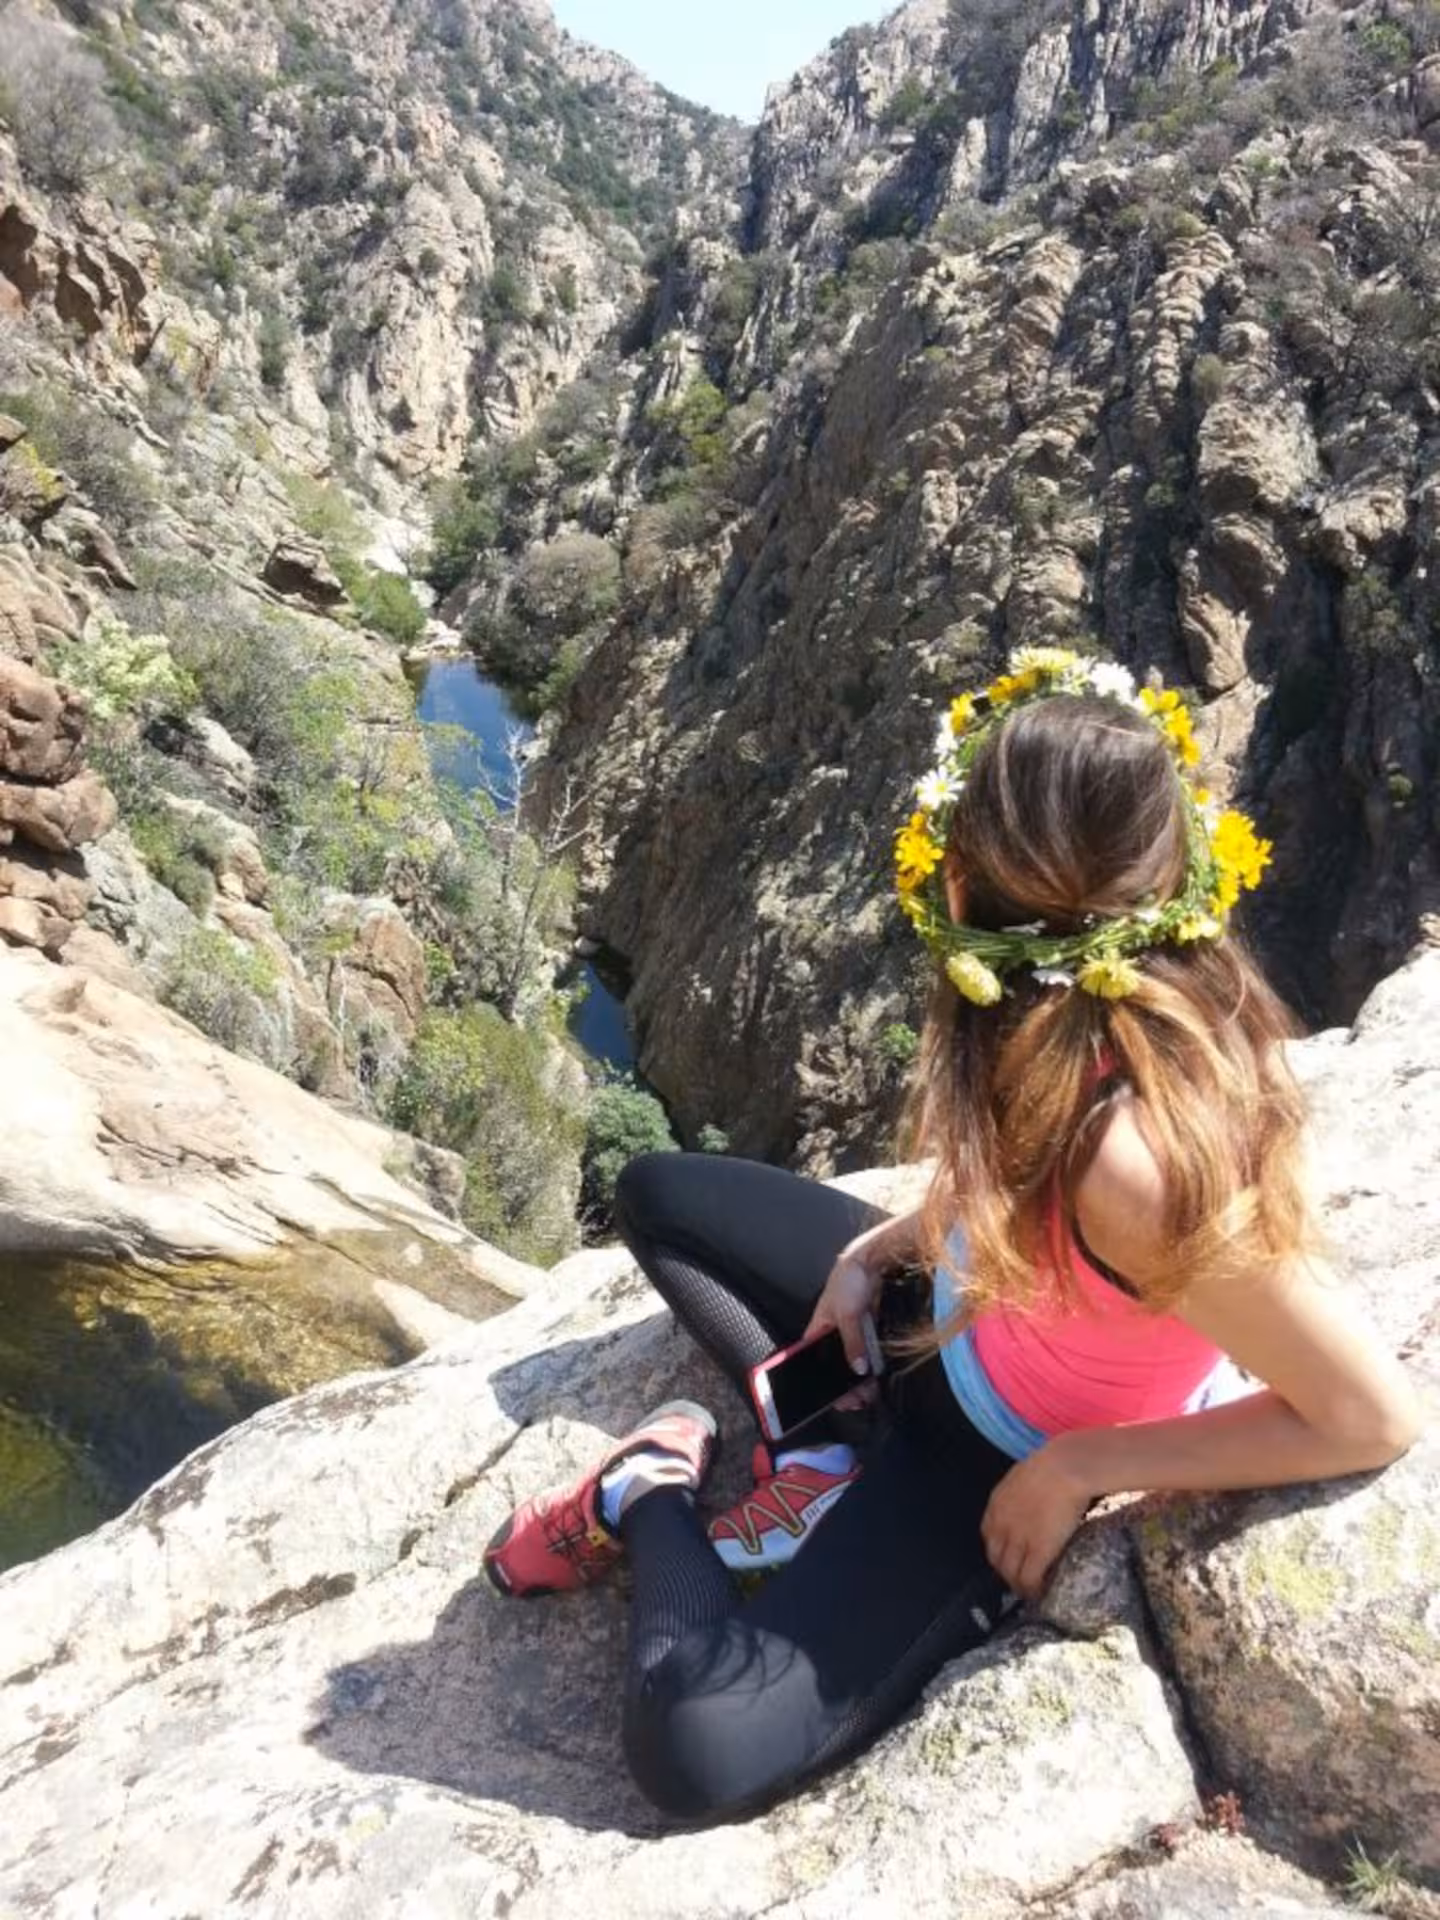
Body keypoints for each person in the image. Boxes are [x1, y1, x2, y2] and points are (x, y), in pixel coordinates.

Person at [482, 647, 1422, 1826]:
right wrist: (886, 1248)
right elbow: (1019, 1187)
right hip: (949, 1314)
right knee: (663, 1198)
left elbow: (1368, 1416)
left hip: (993, 1453)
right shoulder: (1073, 1008)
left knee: (694, 1749)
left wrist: (1079, 1467)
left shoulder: (1134, 1154)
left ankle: (648, 1493)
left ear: (973, 893)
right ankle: (824, 1448)